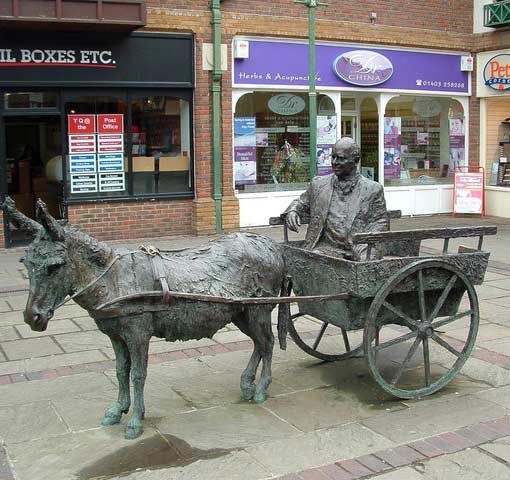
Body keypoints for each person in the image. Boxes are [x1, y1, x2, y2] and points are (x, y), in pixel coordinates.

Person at [282, 137, 389, 260]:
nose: (335, 162)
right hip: (327, 248)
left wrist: (367, 246)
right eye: (333, 157)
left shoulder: (372, 189)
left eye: (341, 158)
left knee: (365, 267)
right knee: (313, 261)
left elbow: (380, 222)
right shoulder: (318, 184)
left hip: (360, 247)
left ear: (356, 160)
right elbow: (301, 202)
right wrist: (293, 211)